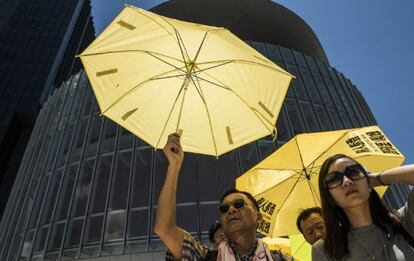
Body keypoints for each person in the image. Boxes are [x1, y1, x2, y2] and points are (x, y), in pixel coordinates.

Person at [154, 133, 292, 260]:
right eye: (224, 208)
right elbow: (164, 229)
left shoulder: (281, 259)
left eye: (239, 204)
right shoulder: (206, 257)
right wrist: (174, 165)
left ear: (259, 217)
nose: (231, 210)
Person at [312, 154, 414, 260]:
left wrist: (376, 178)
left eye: (353, 172)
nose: (347, 181)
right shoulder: (325, 250)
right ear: (329, 197)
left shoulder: (404, 219)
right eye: (334, 179)